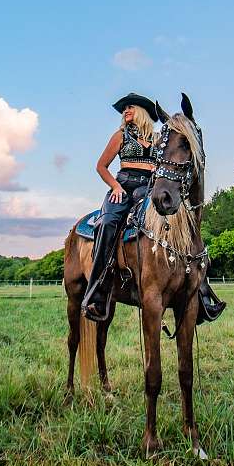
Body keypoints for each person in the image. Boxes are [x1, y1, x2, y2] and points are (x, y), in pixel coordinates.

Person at [81, 92, 158, 321]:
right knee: (106, 223)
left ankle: (199, 290)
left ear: (142, 112)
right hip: (123, 186)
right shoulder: (120, 135)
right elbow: (101, 166)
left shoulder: (157, 138)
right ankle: (97, 292)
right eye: (124, 108)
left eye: (130, 107)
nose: (126, 111)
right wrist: (115, 186)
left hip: (149, 189)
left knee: (178, 218)